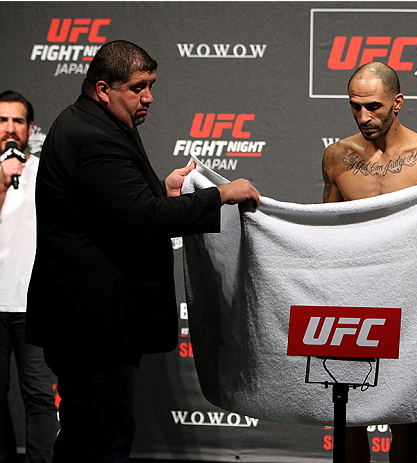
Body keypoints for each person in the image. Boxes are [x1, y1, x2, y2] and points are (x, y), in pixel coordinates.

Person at [25, 40, 260, 463]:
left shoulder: (96, 124)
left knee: (91, 437)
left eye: (151, 85)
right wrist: (220, 195)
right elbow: (143, 219)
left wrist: (164, 192)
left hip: (93, 321)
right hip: (94, 326)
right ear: (103, 89)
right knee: (99, 442)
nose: (148, 96)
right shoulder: (92, 136)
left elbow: (116, 208)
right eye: (138, 87)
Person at [322, 61, 417, 463]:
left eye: (374, 107)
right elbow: (328, 230)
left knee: (403, 411)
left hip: (409, 298)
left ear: (397, 103)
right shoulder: (336, 157)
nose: (364, 117)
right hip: (350, 293)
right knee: (348, 410)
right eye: (355, 107)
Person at [0, 91, 59, 463]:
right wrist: (3, 182)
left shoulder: (45, 171)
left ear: (30, 128)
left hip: (33, 305)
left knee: (39, 397)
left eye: (18, 121)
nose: (10, 128)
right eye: (3, 120)